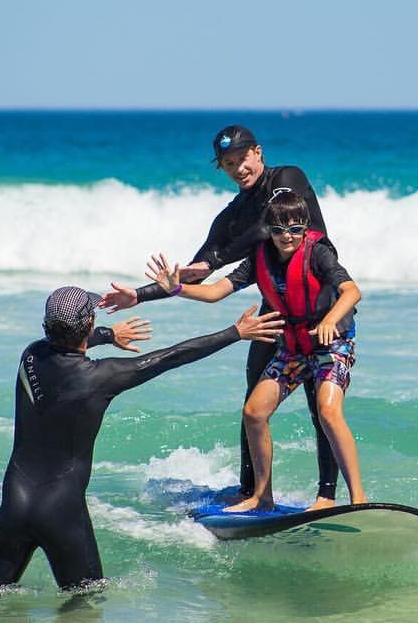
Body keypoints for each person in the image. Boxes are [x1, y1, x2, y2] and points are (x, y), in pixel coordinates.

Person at [0, 286, 282, 596]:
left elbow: (61, 342)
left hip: (14, 503)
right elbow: (170, 357)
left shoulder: (30, 354)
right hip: (61, 510)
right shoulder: (100, 376)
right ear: (89, 323)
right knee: (86, 603)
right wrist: (235, 332)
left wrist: (108, 335)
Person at [100, 124, 342, 510]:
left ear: (258, 153)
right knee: (253, 404)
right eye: (228, 164)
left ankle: (326, 496)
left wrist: (214, 260)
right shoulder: (231, 216)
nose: (237, 169)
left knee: (320, 407)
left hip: (319, 312)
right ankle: (253, 491)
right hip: (275, 313)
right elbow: (192, 276)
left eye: (242, 159)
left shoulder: (287, 178)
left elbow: (268, 226)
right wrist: (139, 296)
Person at [144, 192, 365, 512]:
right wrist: (176, 288)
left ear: (305, 228)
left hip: (333, 343)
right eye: (278, 230)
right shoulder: (260, 257)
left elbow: (351, 290)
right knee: (254, 412)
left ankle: (358, 500)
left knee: (328, 412)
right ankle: (262, 496)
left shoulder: (317, 254)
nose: (287, 237)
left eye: (295, 229)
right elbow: (215, 291)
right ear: (268, 231)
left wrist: (330, 319)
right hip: (294, 349)